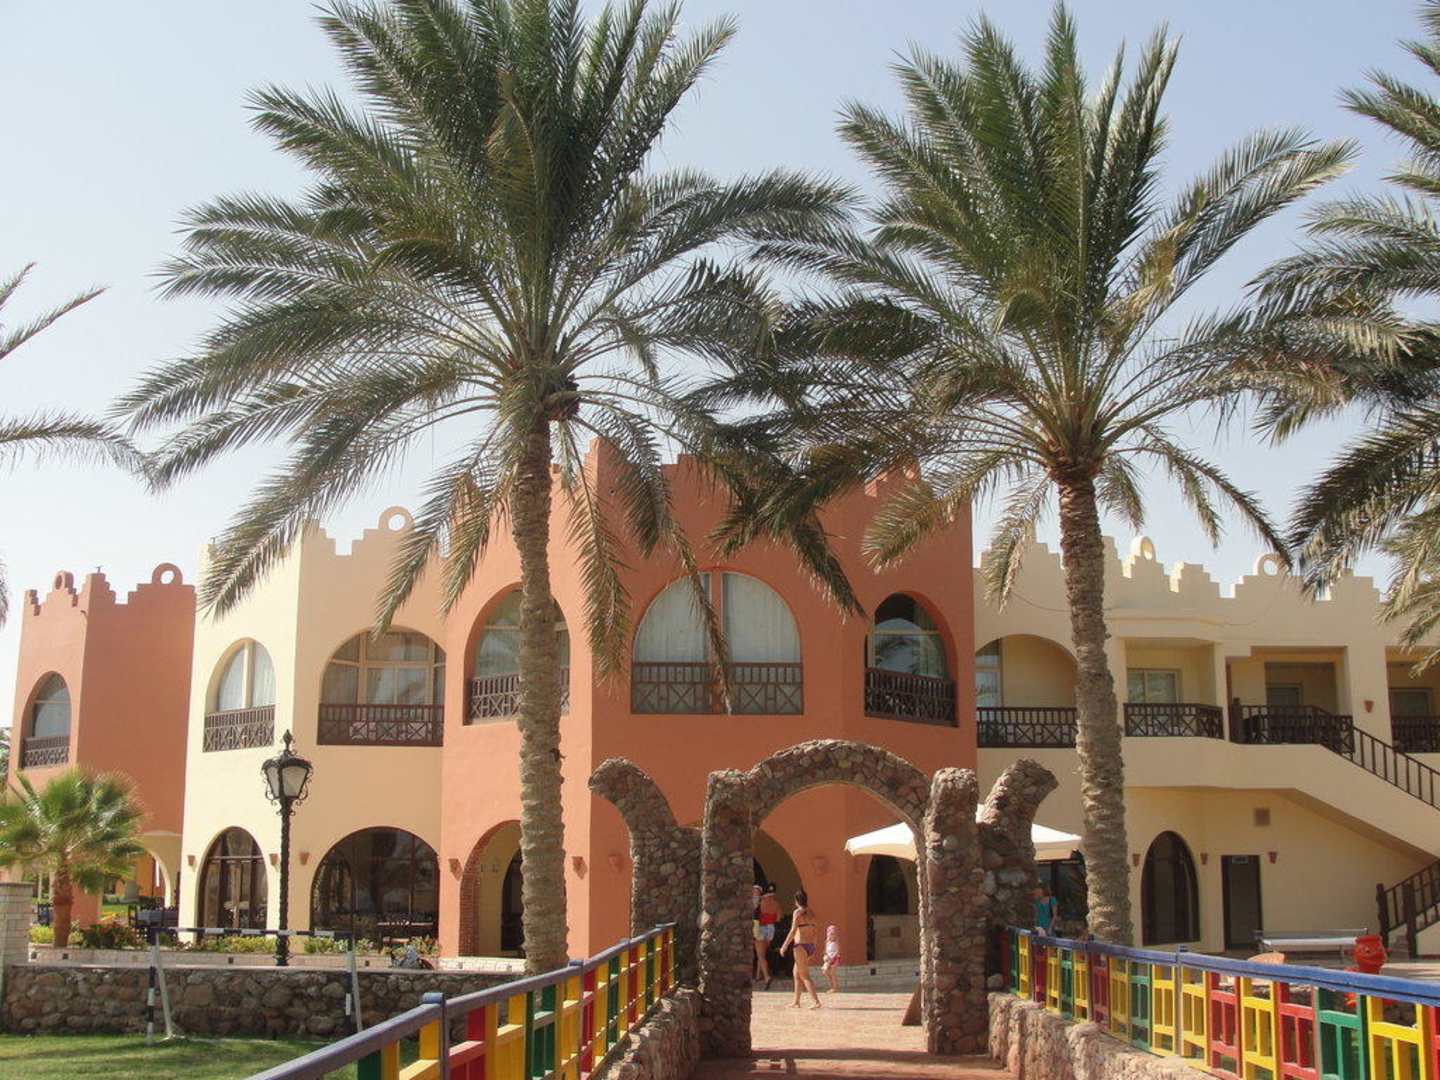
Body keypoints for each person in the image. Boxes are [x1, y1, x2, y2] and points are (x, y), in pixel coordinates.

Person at [779, 889, 822, 1009]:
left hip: (800, 946)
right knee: (796, 974)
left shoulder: (797, 912)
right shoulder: (811, 913)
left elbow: (793, 931)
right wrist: (814, 948)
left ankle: (816, 1001)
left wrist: (784, 946)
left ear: (796, 900)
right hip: (810, 946)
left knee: (804, 975)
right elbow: (816, 932)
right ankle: (796, 1002)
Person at [756, 885, 780, 988]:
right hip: (771, 928)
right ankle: (758, 975)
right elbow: (778, 918)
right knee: (762, 954)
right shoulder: (776, 903)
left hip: (761, 927)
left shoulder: (761, 901)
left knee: (760, 955)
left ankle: (767, 977)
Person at [821, 924, 841, 993]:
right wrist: (825, 957)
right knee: (825, 971)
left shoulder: (836, 941)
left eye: (833, 933)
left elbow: (838, 951)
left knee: (833, 973)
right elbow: (825, 951)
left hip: (835, 958)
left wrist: (832, 958)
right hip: (828, 959)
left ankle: (834, 988)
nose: (832, 935)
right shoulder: (826, 942)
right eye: (830, 933)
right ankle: (832, 986)